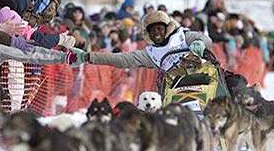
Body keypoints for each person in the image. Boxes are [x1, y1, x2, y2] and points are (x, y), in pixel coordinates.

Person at [68, 11, 229, 96]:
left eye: (160, 29)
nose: (157, 33)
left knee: (236, 84)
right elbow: (122, 59)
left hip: (203, 78)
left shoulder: (182, 36)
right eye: (153, 31)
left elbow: (205, 39)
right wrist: (88, 56)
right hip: (175, 87)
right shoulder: (151, 54)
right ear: (148, 34)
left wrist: (199, 44)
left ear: (167, 28)